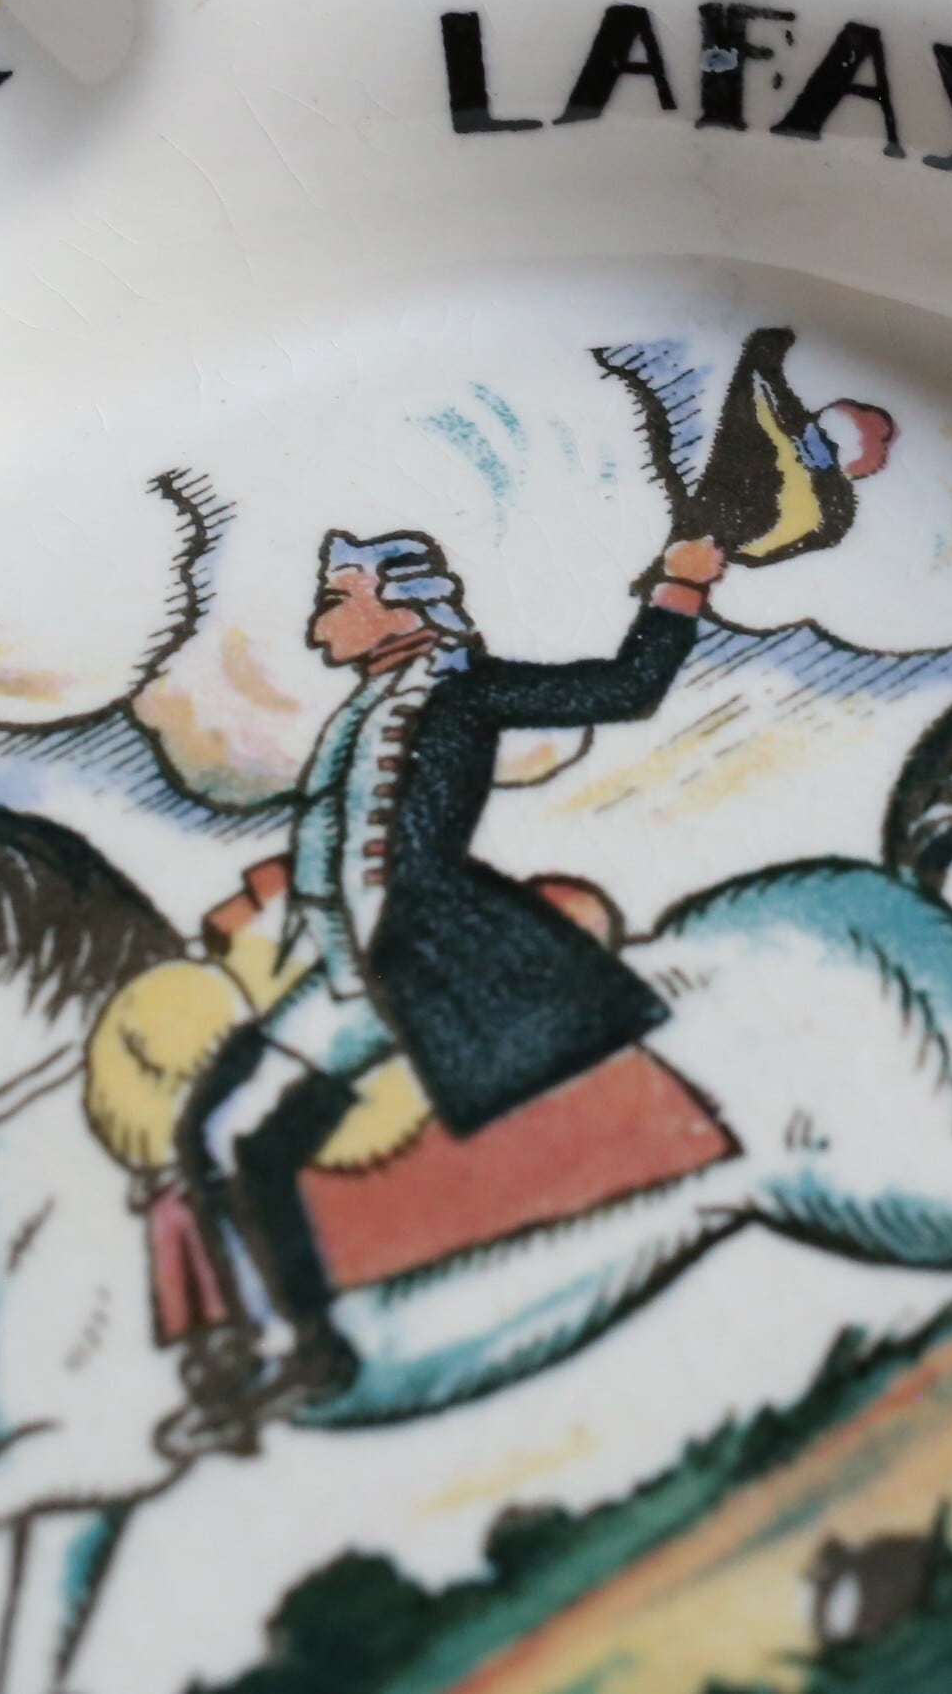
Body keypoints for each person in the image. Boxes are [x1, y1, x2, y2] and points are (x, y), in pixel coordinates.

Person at [167, 526, 729, 1448]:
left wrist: (681, 584)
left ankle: (296, 1346)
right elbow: (345, 831)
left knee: (239, 1133)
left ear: (397, 605)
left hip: (428, 956)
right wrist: (264, 897)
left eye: (335, 603)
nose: (316, 629)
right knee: (217, 1128)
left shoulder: (463, 693)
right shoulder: (367, 707)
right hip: (347, 970)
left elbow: (626, 688)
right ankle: (276, 1343)